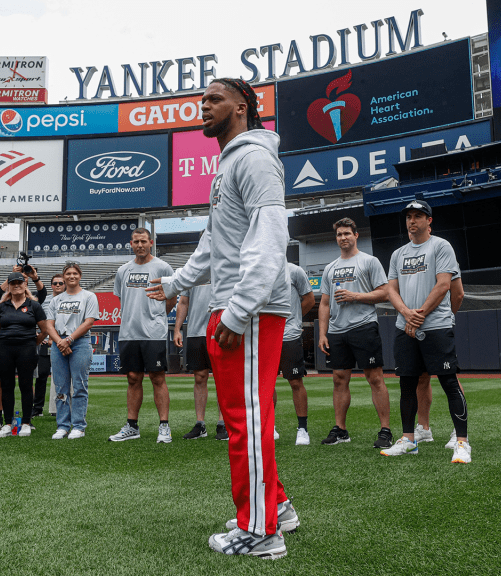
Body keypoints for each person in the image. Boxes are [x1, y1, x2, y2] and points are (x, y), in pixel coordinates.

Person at [147, 78, 296, 559]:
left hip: (246, 311)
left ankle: (260, 533)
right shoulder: (230, 160)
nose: (203, 106)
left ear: (242, 106)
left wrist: (238, 308)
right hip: (235, 307)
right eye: (202, 100)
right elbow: (214, 242)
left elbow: (271, 236)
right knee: (247, 417)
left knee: (246, 420)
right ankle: (276, 507)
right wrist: (176, 285)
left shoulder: (253, 157)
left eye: (213, 99)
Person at [384, 200, 470, 463]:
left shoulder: (441, 246)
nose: (412, 221)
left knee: (449, 382)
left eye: (418, 216)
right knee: (407, 384)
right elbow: (391, 290)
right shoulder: (398, 254)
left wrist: (417, 315)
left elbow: (444, 285)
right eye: (409, 216)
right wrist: (406, 314)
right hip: (405, 327)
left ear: (429, 221)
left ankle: (462, 442)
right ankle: (409, 439)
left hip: (434, 326)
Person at [317, 217, 392, 449]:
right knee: (339, 380)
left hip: (364, 326)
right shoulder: (330, 268)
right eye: (339, 234)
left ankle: (385, 430)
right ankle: (340, 429)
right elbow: (324, 304)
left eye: (347, 233)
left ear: (356, 235)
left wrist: (355, 296)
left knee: (375, 378)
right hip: (337, 332)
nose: (343, 238)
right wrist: (322, 333)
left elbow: (385, 293)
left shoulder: (369, 262)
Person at [108, 229, 176, 443]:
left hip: (153, 333)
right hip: (129, 333)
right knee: (133, 378)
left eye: (143, 241)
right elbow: (123, 300)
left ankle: (164, 426)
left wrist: (157, 318)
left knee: (157, 378)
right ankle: (132, 426)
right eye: (136, 242)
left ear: (151, 243)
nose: (140, 245)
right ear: (131, 243)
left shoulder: (162, 267)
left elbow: (171, 298)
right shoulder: (123, 270)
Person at [43, 263, 100, 440]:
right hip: (59, 342)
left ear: (80, 276)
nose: (71, 276)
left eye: (75, 273)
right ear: (64, 276)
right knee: (60, 386)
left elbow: (89, 322)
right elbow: (48, 324)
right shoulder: (56, 300)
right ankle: (62, 425)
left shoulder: (89, 296)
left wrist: (69, 340)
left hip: (79, 342)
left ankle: (78, 425)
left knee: (79, 385)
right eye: (68, 273)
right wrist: (60, 341)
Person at [0, 263, 47, 431]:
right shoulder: (2, 306)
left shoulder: (34, 305)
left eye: (19, 283)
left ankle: (27, 423)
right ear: (9, 286)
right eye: (13, 283)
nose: (16, 286)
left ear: (25, 284)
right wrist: (9, 341)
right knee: (7, 385)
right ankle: (7, 423)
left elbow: (43, 330)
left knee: (26, 384)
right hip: (4, 349)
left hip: (27, 349)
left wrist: (30, 342)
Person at [414, 277, 467, 448]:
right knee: (421, 375)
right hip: (413, 323)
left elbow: (458, 294)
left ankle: (459, 431)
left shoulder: (443, 253)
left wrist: (446, 316)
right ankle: (423, 428)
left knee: (449, 376)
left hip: (438, 325)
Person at [174, 281, 228, 441]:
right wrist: (177, 329)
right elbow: (183, 301)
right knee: (199, 377)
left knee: (222, 378)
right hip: (196, 330)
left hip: (220, 328)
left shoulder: (225, 264)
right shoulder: (193, 269)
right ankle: (200, 424)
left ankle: (223, 423)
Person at [276, 261, 314, 445]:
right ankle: (269, 427)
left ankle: (302, 429)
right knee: (265, 384)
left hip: (289, 334)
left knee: (296, 381)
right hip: (266, 336)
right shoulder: (257, 270)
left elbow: (309, 299)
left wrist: (294, 319)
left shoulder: (294, 270)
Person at [34, 273, 65, 418]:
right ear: (51, 285)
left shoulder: (69, 299)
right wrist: (42, 336)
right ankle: (37, 408)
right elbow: (36, 318)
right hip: (46, 342)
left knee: (62, 376)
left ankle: (59, 407)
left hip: (63, 341)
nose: (58, 285)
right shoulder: (43, 300)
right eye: (55, 283)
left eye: (60, 283)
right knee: (41, 375)